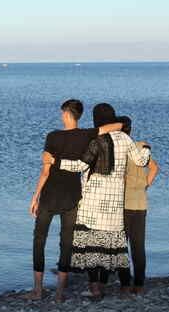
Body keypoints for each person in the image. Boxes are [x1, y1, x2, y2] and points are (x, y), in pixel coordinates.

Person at [44, 103, 151, 299]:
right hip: (114, 204)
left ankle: (95, 288)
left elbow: (79, 166)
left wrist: (56, 162)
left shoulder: (95, 140)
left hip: (92, 201)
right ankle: (121, 287)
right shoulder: (126, 139)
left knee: (91, 245)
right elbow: (141, 161)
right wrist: (147, 148)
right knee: (112, 247)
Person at [25, 99, 122, 303]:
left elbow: (45, 171)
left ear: (67, 114)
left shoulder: (53, 136)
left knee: (39, 240)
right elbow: (119, 125)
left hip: (50, 195)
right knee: (66, 243)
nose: (61, 117)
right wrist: (99, 129)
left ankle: (38, 290)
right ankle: (60, 293)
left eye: (62, 113)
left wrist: (35, 196)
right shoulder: (87, 134)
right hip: (72, 196)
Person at [117, 115, 160, 294]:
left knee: (121, 247)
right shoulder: (141, 147)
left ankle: (125, 284)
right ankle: (140, 284)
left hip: (123, 204)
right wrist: (145, 185)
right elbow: (155, 168)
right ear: (131, 130)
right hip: (140, 203)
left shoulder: (118, 150)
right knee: (138, 246)